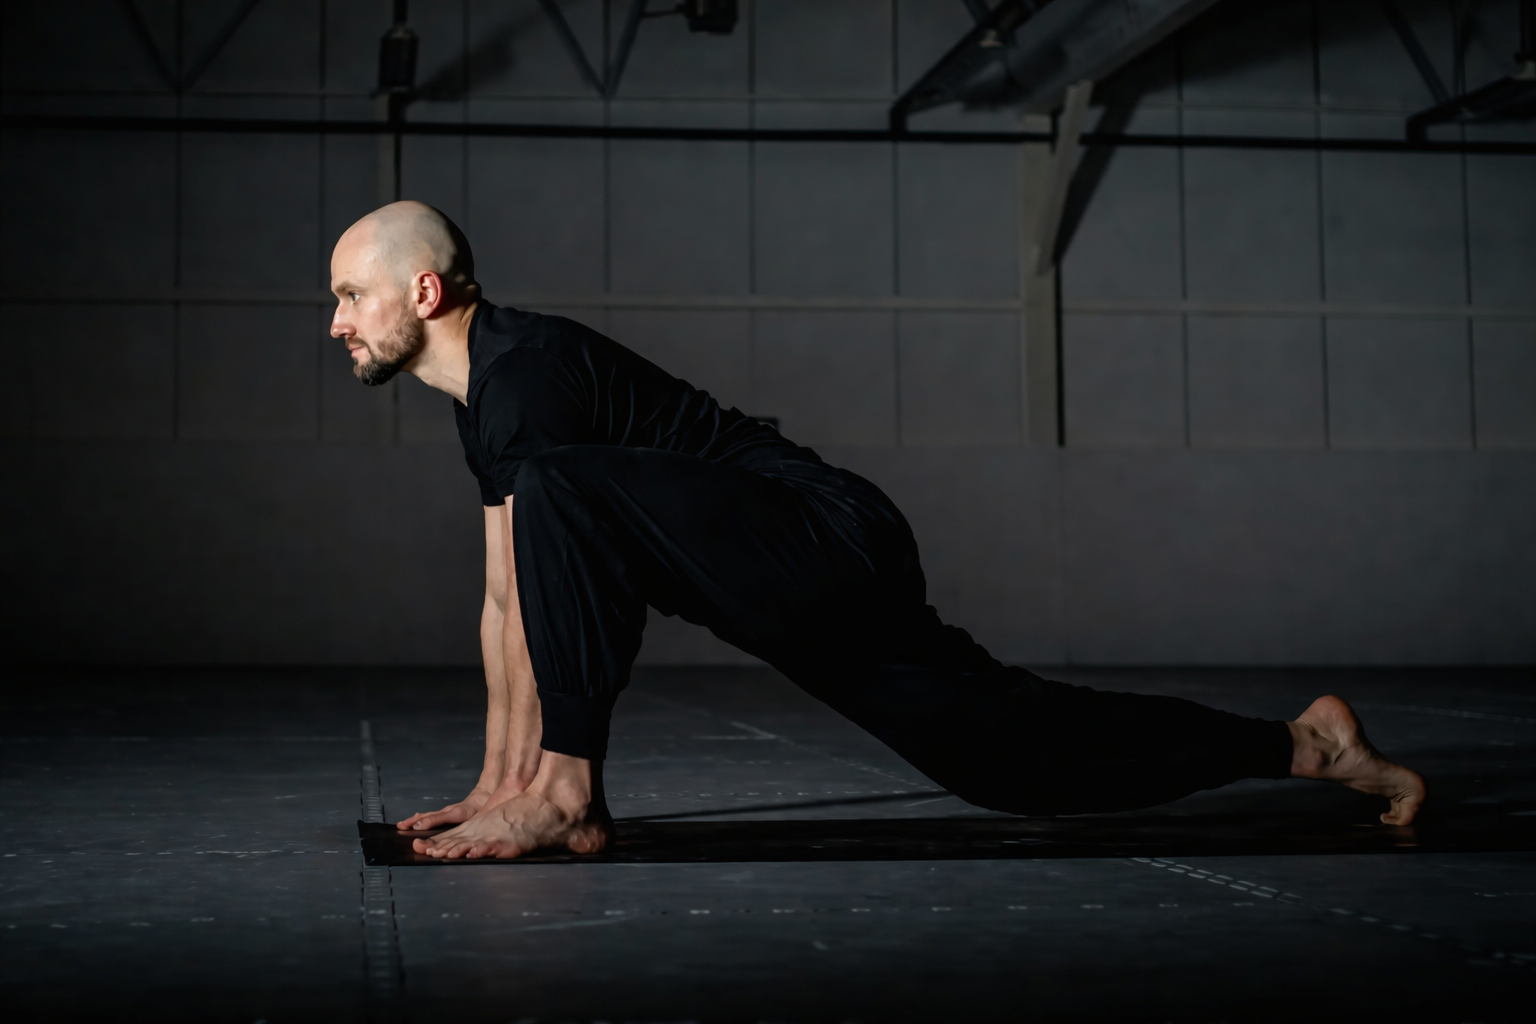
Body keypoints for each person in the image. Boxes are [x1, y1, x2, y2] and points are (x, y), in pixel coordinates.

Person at [328, 201, 1427, 860]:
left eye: (348, 296)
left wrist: (550, 788)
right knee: (1007, 758)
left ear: (421, 290)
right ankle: (1306, 744)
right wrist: (491, 784)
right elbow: (504, 599)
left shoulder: (529, 375)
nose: (335, 322)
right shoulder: (484, 407)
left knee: (562, 494)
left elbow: (542, 575)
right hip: (773, 569)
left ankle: (572, 793)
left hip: (819, 532)